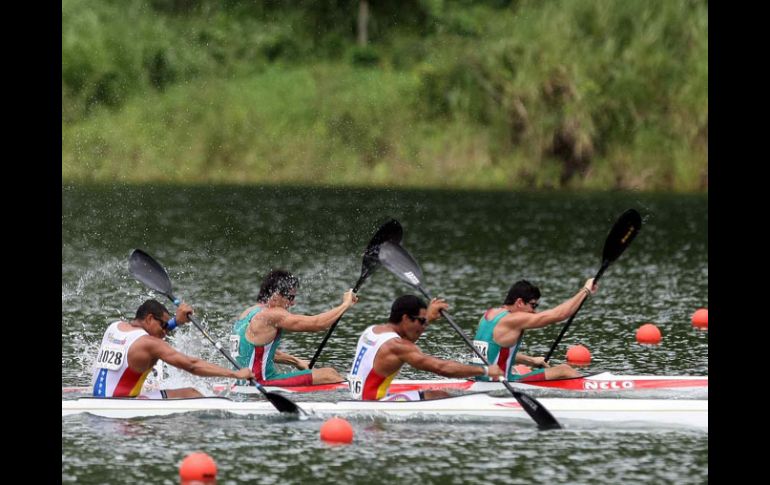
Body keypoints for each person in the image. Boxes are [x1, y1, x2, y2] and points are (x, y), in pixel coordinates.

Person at [348, 295, 504, 401]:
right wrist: (485, 370)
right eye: (421, 321)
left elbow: (407, 337)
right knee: (440, 396)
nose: (424, 326)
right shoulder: (398, 346)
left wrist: (427, 317)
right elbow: (441, 368)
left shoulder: (372, 331)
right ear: (405, 318)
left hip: (356, 398)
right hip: (374, 403)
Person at [91, 299, 254, 399]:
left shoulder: (115, 327)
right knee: (191, 394)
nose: (165, 331)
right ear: (149, 318)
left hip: (98, 399)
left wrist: (176, 321)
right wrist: (235, 374)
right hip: (124, 405)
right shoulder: (149, 344)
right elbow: (192, 365)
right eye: (163, 325)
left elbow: (149, 335)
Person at [230, 269, 357, 387]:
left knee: (327, 373)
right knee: (329, 375)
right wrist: (345, 304)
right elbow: (318, 324)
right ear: (275, 295)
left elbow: (255, 352)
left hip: (241, 381)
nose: (292, 303)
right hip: (260, 382)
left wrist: (295, 361)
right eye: (290, 297)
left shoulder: (249, 312)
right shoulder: (272, 314)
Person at [471, 279, 598, 382]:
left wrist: (531, 360)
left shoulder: (488, 315)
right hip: (500, 382)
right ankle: (591, 391)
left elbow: (494, 353)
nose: (534, 311)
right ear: (519, 302)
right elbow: (559, 314)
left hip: (480, 379)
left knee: (520, 369)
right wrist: (585, 290)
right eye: (533, 305)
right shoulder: (512, 319)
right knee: (565, 370)